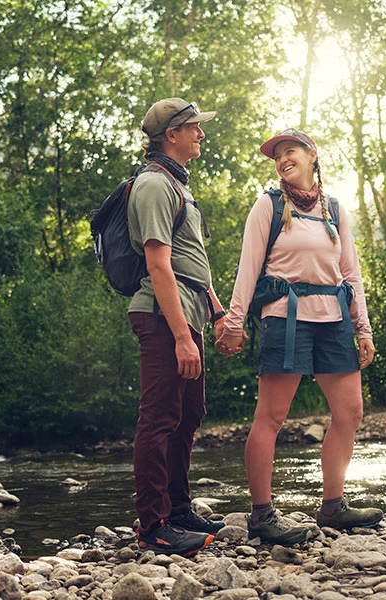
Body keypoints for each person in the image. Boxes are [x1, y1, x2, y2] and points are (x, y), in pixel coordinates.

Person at [216, 128, 383, 544]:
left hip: (334, 319)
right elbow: (248, 268)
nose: (282, 159)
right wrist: (234, 323)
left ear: (312, 156)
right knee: (271, 417)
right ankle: (262, 514)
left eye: (290, 151)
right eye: (277, 155)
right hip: (285, 319)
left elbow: (351, 273)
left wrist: (363, 326)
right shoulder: (268, 207)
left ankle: (333, 506)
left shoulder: (335, 209)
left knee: (350, 412)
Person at [127, 97, 230, 557]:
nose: (201, 134)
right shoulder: (152, 184)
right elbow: (159, 265)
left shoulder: (176, 184)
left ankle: (179, 509)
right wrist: (183, 337)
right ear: (171, 135)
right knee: (160, 417)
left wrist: (216, 310)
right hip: (162, 315)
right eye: (193, 127)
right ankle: (154, 525)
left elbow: (191, 264)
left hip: (188, 312)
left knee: (188, 414)